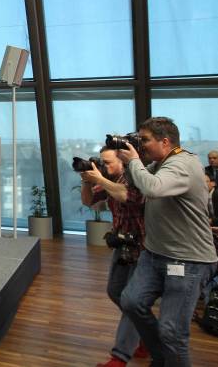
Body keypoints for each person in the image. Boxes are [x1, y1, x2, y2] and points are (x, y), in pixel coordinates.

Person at [117, 117, 217, 366]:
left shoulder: (182, 164)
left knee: (172, 331)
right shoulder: (161, 162)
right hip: (155, 254)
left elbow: (153, 188)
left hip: (188, 260)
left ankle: (167, 356)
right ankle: (162, 356)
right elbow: (135, 186)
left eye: (145, 140)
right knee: (131, 301)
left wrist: (135, 162)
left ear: (165, 141)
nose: (142, 145)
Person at [80, 147, 148, 367]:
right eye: (102, 161)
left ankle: (119, 358)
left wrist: (100, 178)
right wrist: (86, 182)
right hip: (121, 244)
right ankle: (144, 333)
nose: (104, 166)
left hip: (143, 247)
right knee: (114, 291)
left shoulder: (135, 178)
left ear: (123, 162)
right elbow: (88, 201)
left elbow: (126, 195)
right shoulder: (108, 180)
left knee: (130, 299)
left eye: (108, 162)